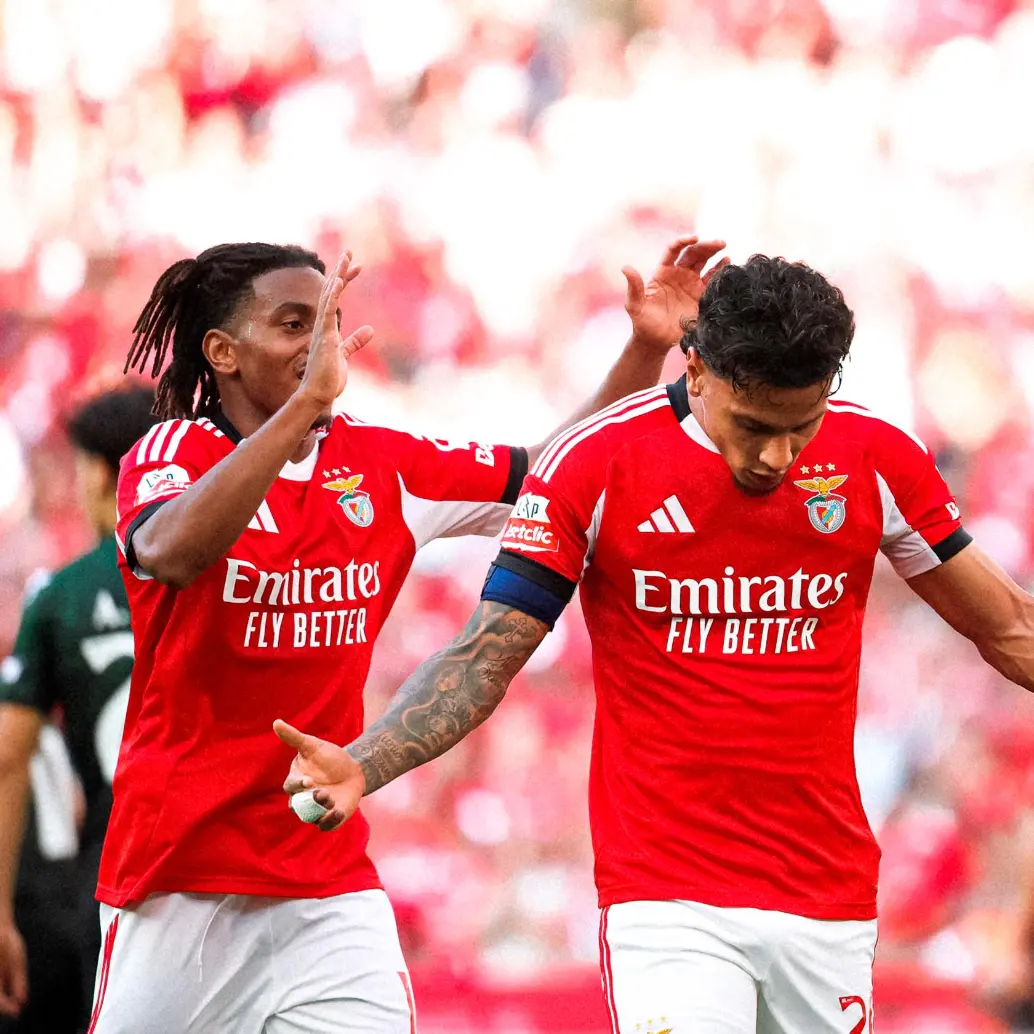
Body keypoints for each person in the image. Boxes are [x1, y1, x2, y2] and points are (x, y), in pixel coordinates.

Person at [276, 254, 1034, 1034]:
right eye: (755, 426)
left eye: (799, 428)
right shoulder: (596, 463)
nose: (777, 456)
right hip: (667, 897)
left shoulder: (877, 457)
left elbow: (1007, 626)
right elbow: (484, 656)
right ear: (697, 370)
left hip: (825, 892)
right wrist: (368, 762)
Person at [90, 236, 727, 1033]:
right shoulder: (173, 452)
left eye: (329, 323)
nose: (321, 344)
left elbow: (554, 472)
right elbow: (170, 552)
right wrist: (295, 416)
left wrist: (646, 348)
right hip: (182, 878)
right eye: (295, 324)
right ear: (221, 351)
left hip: (325, 882)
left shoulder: (382, 464)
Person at [0, 386, 158, 1033]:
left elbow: (10, 755)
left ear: (100, 473)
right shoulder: (226, 573)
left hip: (112, 875)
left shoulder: (62, 596)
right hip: (219, 865)